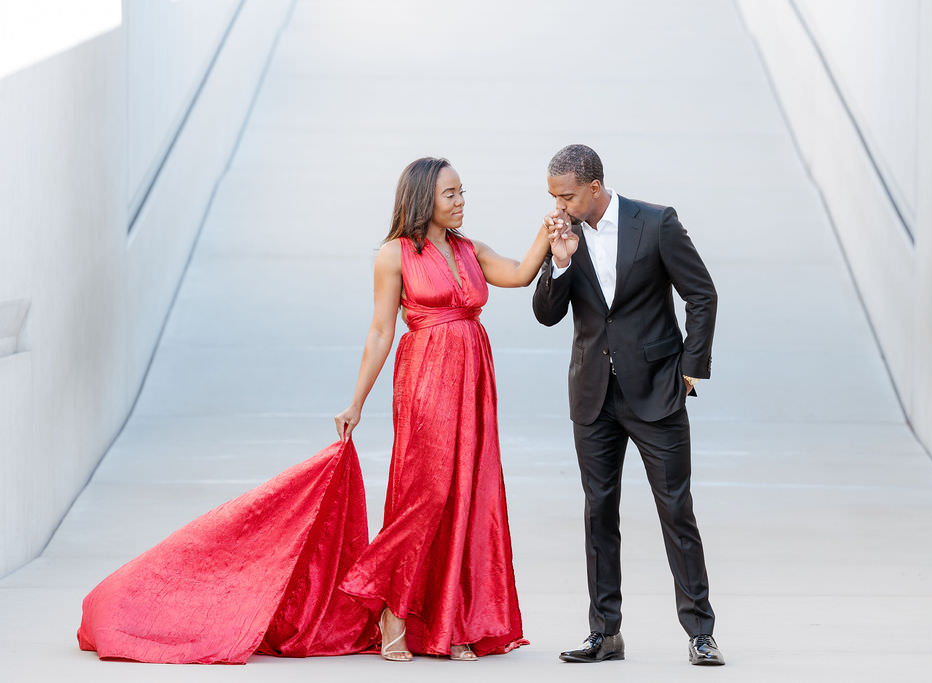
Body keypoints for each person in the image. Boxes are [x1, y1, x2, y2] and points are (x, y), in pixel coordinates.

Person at [78, 157, 552, 664]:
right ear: (423, 200)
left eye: (462, 192)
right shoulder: (395, 256)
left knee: (467, 494)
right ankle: (392, 610)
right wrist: (356, 401)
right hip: (428, 382)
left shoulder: (472, 250)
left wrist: (549, 232)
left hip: (474, 381)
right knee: (427, 495)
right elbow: (379, 332)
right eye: (451, 194)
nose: (461, 201)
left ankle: (447, 622)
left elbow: (522, 275)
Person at [533, 144, 725, 666]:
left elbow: (701, 294)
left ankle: (700, 631)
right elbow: (547, 315)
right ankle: (605, 633)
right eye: (552, 196)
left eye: (565, 195)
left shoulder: (656, 222)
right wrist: (560, 261)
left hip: (656, 391)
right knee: (599, 513)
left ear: (594, 187)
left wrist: (691, 368)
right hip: (593, 395)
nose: (558, 206)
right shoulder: (564, 235)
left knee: (676, 510)